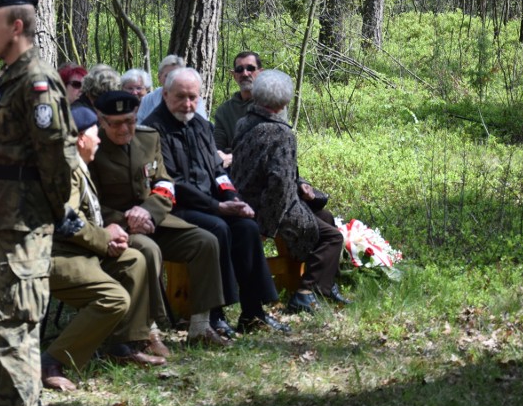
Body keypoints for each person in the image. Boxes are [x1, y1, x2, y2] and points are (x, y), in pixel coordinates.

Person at [0, 0, 79, 406]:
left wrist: (58, 211)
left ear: (17, 26)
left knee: (15, 323)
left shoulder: (36, 81)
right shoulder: (12, 76)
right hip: (3, 218)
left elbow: (56, 156)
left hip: (22, 221)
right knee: (7, 323)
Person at [143, 68, 289, 334]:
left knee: (247, 227)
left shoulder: (201, 126)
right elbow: (171, 182)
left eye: (193, 98)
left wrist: (234, 198)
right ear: (165, 95)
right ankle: (214, 315)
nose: (187, 104)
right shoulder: (154, 129)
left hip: (212, 205)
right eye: (181, 97)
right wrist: (217, 207)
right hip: (174, 210)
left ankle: (253, 312)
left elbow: (218, 171)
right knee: (218, 228)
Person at [89, 90, 229, 347]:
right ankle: (149, 331)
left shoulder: (148, 137)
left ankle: (200, 325)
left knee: (206, 241)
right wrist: (126, 218)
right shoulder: (91, 146)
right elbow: (90, 200)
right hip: (116, 228)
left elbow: (165, 184)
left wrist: (148, 211)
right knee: (148, 251)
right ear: (102, 120)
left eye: (130, 121)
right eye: (116, 124)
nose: (124, 129)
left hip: (156, 220)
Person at [41, 105, 165, 393]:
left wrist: (108, 237)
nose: (99, 140)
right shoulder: (66, 168)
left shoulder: (74, 164)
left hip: (75, 250)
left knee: (134, 259)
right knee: (114, 298)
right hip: (55, 255)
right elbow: (66, 221)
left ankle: (122, 345)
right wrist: (104, 238)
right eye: (96, 133)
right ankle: (51, 362)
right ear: (81, 138)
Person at [230, 70, 351, 314]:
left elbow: (272, 173)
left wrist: (302, 188)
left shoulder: (244, 122)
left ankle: (324, 285)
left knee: (325, 217)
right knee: (332, 237)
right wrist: (267, 227)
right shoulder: (282, 133)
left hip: (245, 198)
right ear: (285, 102)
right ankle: (306, 294)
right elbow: (279, 186)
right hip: (267, 207)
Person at [136, 55, 206, 123]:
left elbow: (202, 125)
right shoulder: (148, 100)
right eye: (167, 75)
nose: (171, 79)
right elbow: (139, 126)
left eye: (176, 76)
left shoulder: (195, 101)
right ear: (159, 77)